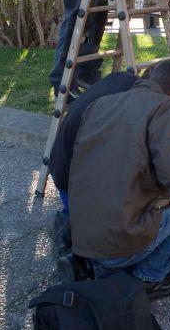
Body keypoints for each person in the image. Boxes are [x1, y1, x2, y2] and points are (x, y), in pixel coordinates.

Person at [61, 59, 170, 300]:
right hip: (119, 244)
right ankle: (150, 277)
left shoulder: (102, 104)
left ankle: (98, 267)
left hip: (83, 236)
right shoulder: (165, 106)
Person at [46, 70, 139, 259]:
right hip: (74, 184)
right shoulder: (133, 106)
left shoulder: (121, 79)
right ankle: (71, 229)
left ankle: (70, 220)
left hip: (61, 169)